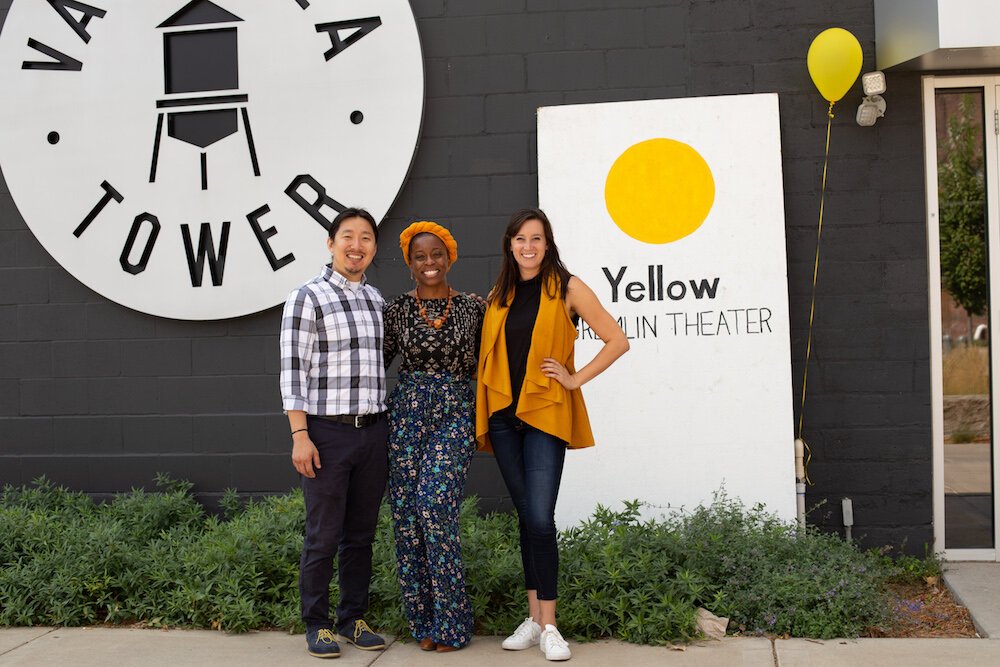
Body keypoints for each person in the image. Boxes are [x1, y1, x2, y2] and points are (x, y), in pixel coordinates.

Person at [476, 207, 629, 662]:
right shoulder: (498, 295)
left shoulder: (567, 287)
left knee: (540, 518)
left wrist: (574, 378)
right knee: (527, 517)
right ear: (510, 244)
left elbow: (616, 340)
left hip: (544, 414)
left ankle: (550, 625)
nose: (528, 247)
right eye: (520, 239)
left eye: (536, 239)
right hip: (504, 417)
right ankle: (533, 618)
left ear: (548, 244)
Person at [279, 207, 389, 659]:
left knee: (360, 534)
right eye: (347, 236)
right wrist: (299, 434)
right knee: (323, 534)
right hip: (326, 433)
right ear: (331, 243)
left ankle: (353, 618)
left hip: (373, 433)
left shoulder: (377, 300)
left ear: (373, 248)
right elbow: (292, 371)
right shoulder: (307, 297)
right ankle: (317, 623)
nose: (356, 245)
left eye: (365, 237)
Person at [383, 221, 485, 652]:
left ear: (450, 258)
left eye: (436, 255)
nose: (429, 263)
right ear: (409, 263)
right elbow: (373, 366)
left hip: (456, 411)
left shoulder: (473, 309)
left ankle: (453, 623)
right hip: (406, 415)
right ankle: (423, 622)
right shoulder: (396, 311)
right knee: (407, 518)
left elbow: (493, 360)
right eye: (420, 257)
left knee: (434, 504)